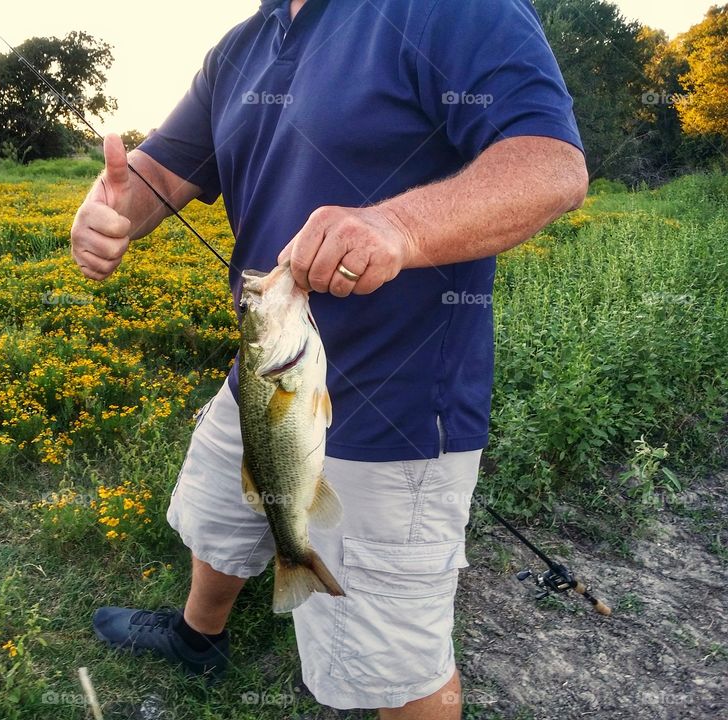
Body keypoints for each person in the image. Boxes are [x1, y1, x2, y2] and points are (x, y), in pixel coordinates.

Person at [70, 0, 588, 717]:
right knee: (223, 509)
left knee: (393, 658)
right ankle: (199, 636)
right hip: (265, 366)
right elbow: (157, 171)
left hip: (396, 406)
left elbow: (551, 167)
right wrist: (111, 211)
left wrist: (396, 226)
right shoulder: (241, 47)